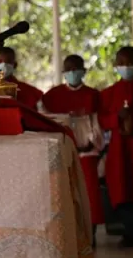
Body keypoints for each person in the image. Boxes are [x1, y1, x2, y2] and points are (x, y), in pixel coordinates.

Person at [42, 54, 105, 244]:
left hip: (87, 151)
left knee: (90, 194)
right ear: (63, 73)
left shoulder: (93, 95)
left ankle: (90, 232)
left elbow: (96, 123)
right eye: (68, 69)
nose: (72, 73)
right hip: (63, 150)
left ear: (83, 71)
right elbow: (47, 120)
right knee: (65, 193)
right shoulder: (53, 96)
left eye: (76, 68)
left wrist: (93, 143)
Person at [98, 46, 133, 247]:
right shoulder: (108, 94)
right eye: (122, 63)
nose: (126, 67)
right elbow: (101, 120)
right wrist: (117, 117)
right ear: (115, 66)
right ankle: (129, 231)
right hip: (120, 149)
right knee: (124, 187)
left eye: (130, 63)